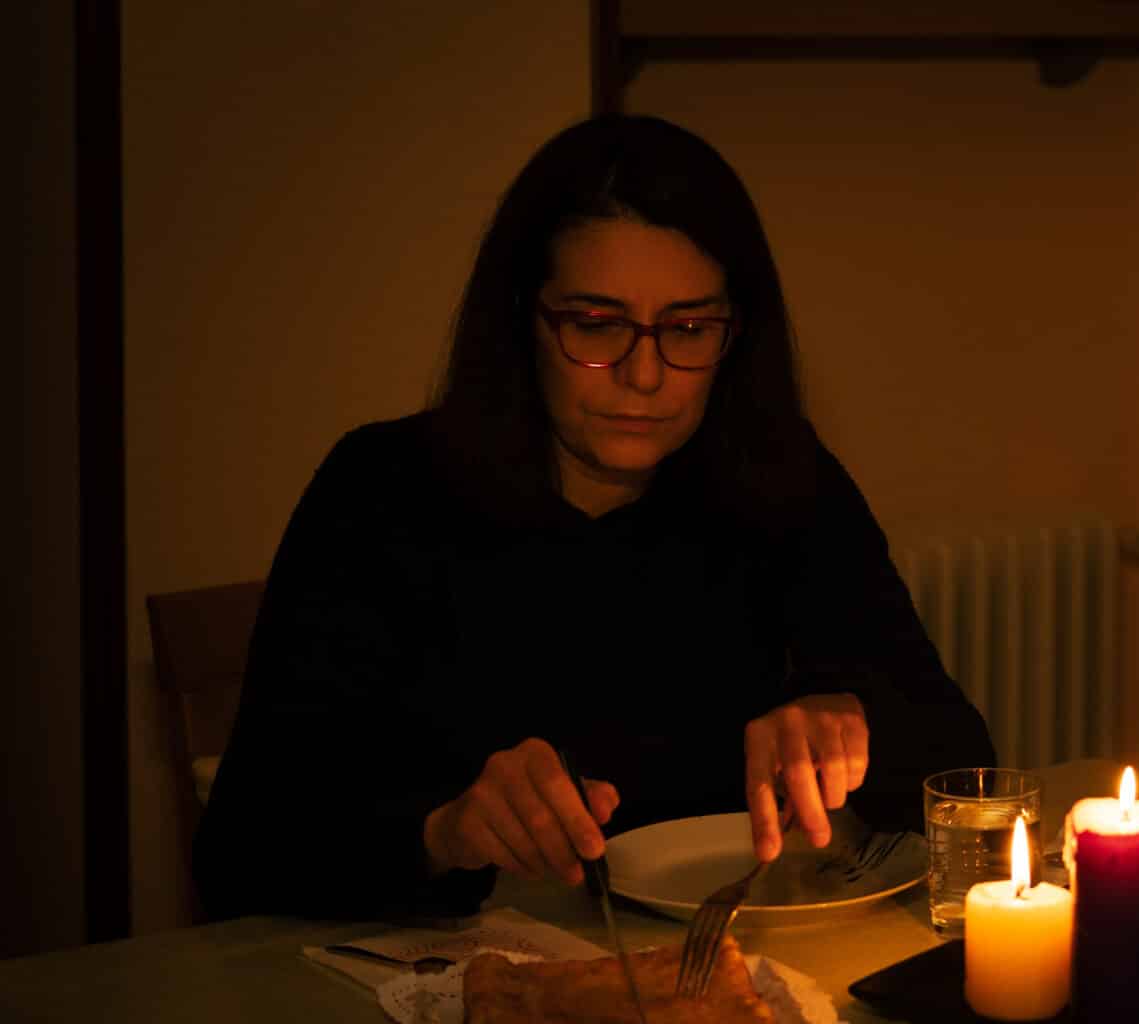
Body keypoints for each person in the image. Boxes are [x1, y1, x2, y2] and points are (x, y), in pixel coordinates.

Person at [196, 115, 994, 922]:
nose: (644, 375)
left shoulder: (779, 477)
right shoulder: (382, 494)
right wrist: (444, 832)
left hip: (721, 978)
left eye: (687, 329)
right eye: (596, 325)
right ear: (524, 321)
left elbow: (965, 763)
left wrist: (854, 717)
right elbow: (244, 852)